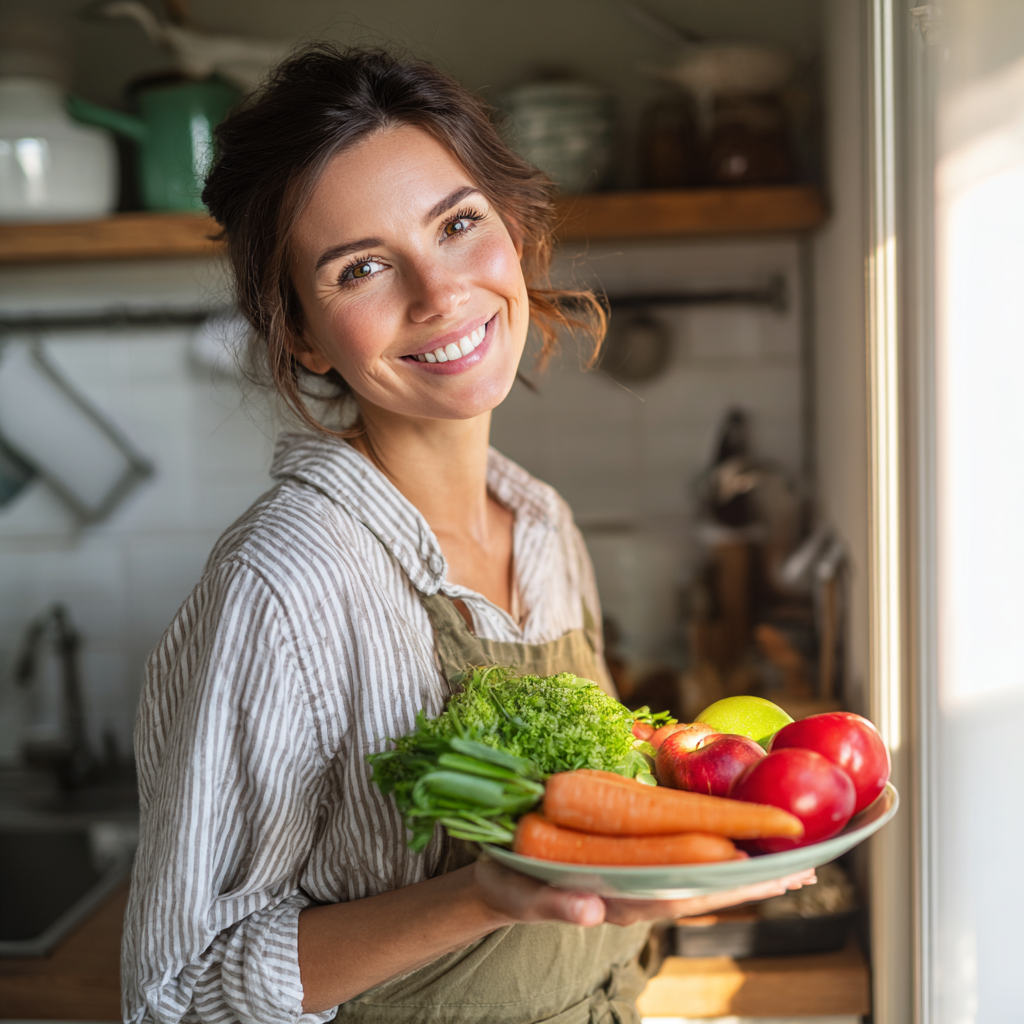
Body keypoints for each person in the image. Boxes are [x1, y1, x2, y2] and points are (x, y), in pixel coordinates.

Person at [121, 44, 813, 1024]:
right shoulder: (287, 581)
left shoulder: (541, 524)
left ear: (516, 233)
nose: (438, 292)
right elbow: (181, 996)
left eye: (457, 225)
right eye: (361, 267)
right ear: (305, 335)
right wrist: (479, 895)